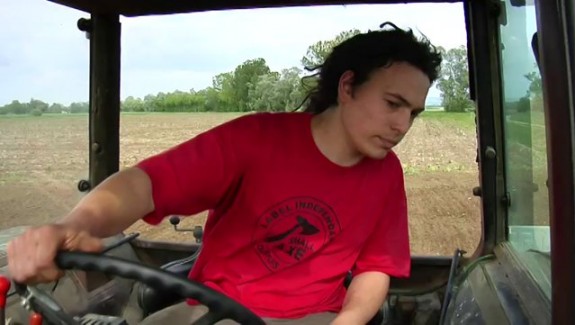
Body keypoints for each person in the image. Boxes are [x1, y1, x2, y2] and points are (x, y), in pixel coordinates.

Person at [6, 22, 442, 325]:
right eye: (392, 104)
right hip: (212, 312)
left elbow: (374, 269)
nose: (402, 126)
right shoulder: (256, 140)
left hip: (315, 318)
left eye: (413, 113)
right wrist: (73, 225)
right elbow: (144, 184)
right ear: (348, 87)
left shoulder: (386, 175)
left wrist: (345, 322)